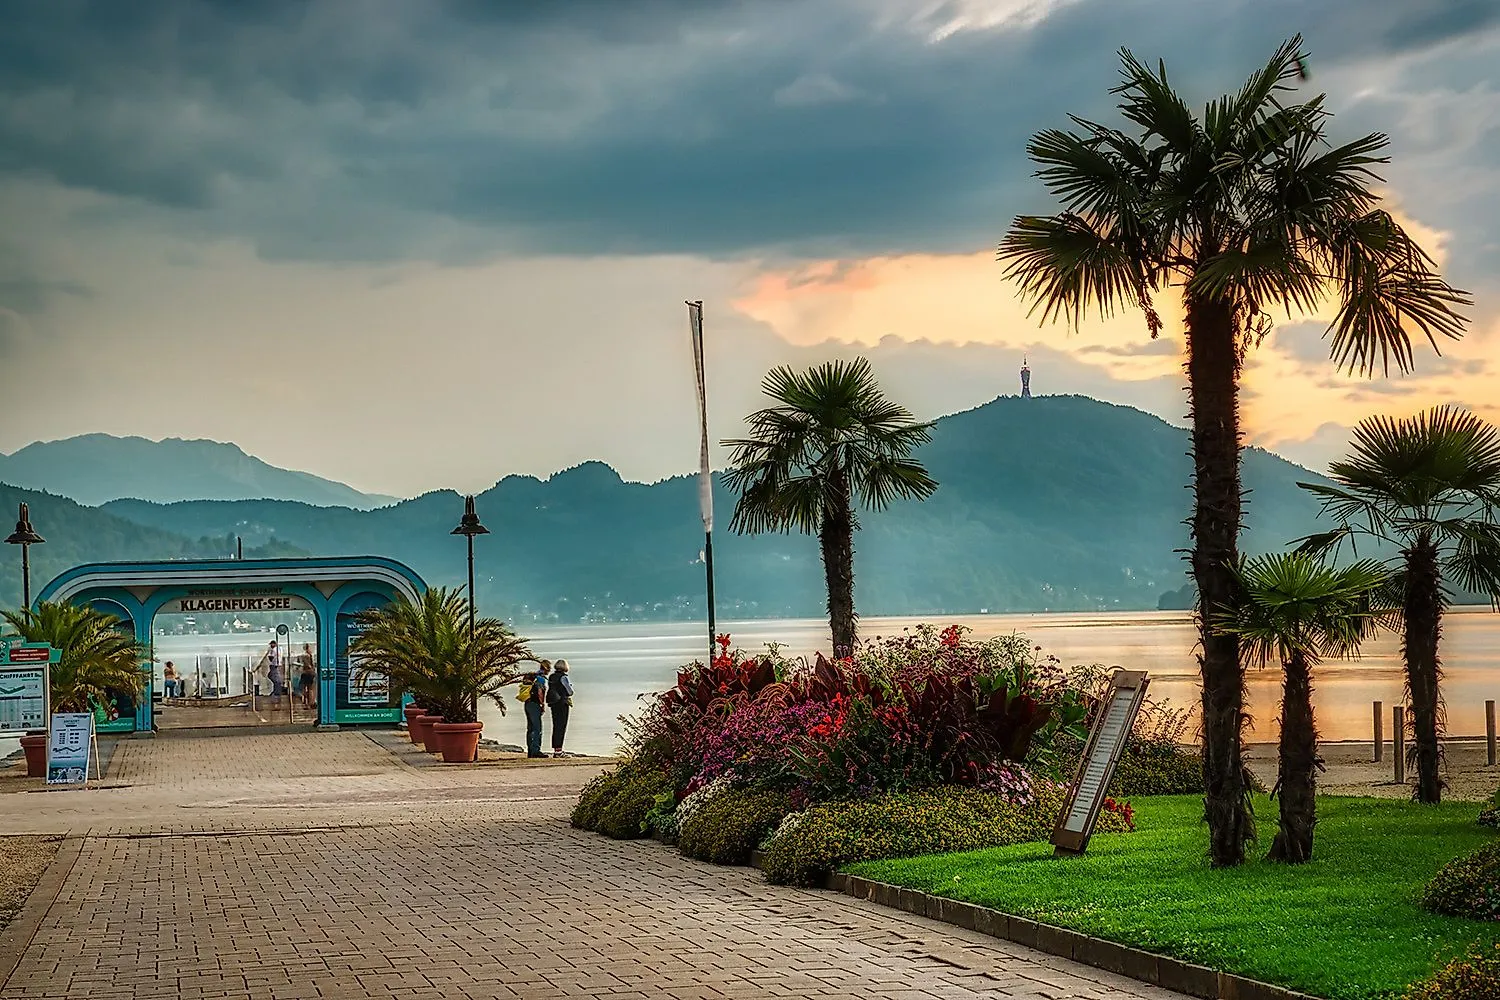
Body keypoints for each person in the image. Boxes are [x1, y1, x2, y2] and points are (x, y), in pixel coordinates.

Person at [523, 660, 551, 759]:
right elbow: (540, 692)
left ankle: (530, 751)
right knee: (537, 728)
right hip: (535, 704)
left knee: (530, 728)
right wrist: (542, 704)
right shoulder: (541, 679)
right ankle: (536, 750)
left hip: (527, 703)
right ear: (547, 669)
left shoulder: (533, 676)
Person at [546, 659, 574, 758]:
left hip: (554, 703)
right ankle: (559, 751)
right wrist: (570, 687)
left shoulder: (552, 676)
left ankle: (556, 749)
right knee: (561, 726)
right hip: (562, 703)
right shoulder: (563, 677)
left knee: (556, 725)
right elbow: (570, 692)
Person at [266, 639, 285, 709]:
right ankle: (276, 691)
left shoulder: (273, 650)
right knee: (275, 678)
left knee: (276, 679)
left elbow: (271, 658)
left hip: (274, 665)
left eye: (271, 644)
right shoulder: (280, 649)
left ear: (274, 644)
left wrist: (269, 653)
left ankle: (276, 693)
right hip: (278, 665)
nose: (270, 646)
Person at [298, 644, 317, 711]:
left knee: (305, 688)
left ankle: (307, 703)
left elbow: (307, 665)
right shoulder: (310, 655)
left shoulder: (304, 655)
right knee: (310, 689)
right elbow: (312, 665)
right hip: (311, 673)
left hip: (306, 673)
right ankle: (311, 703)